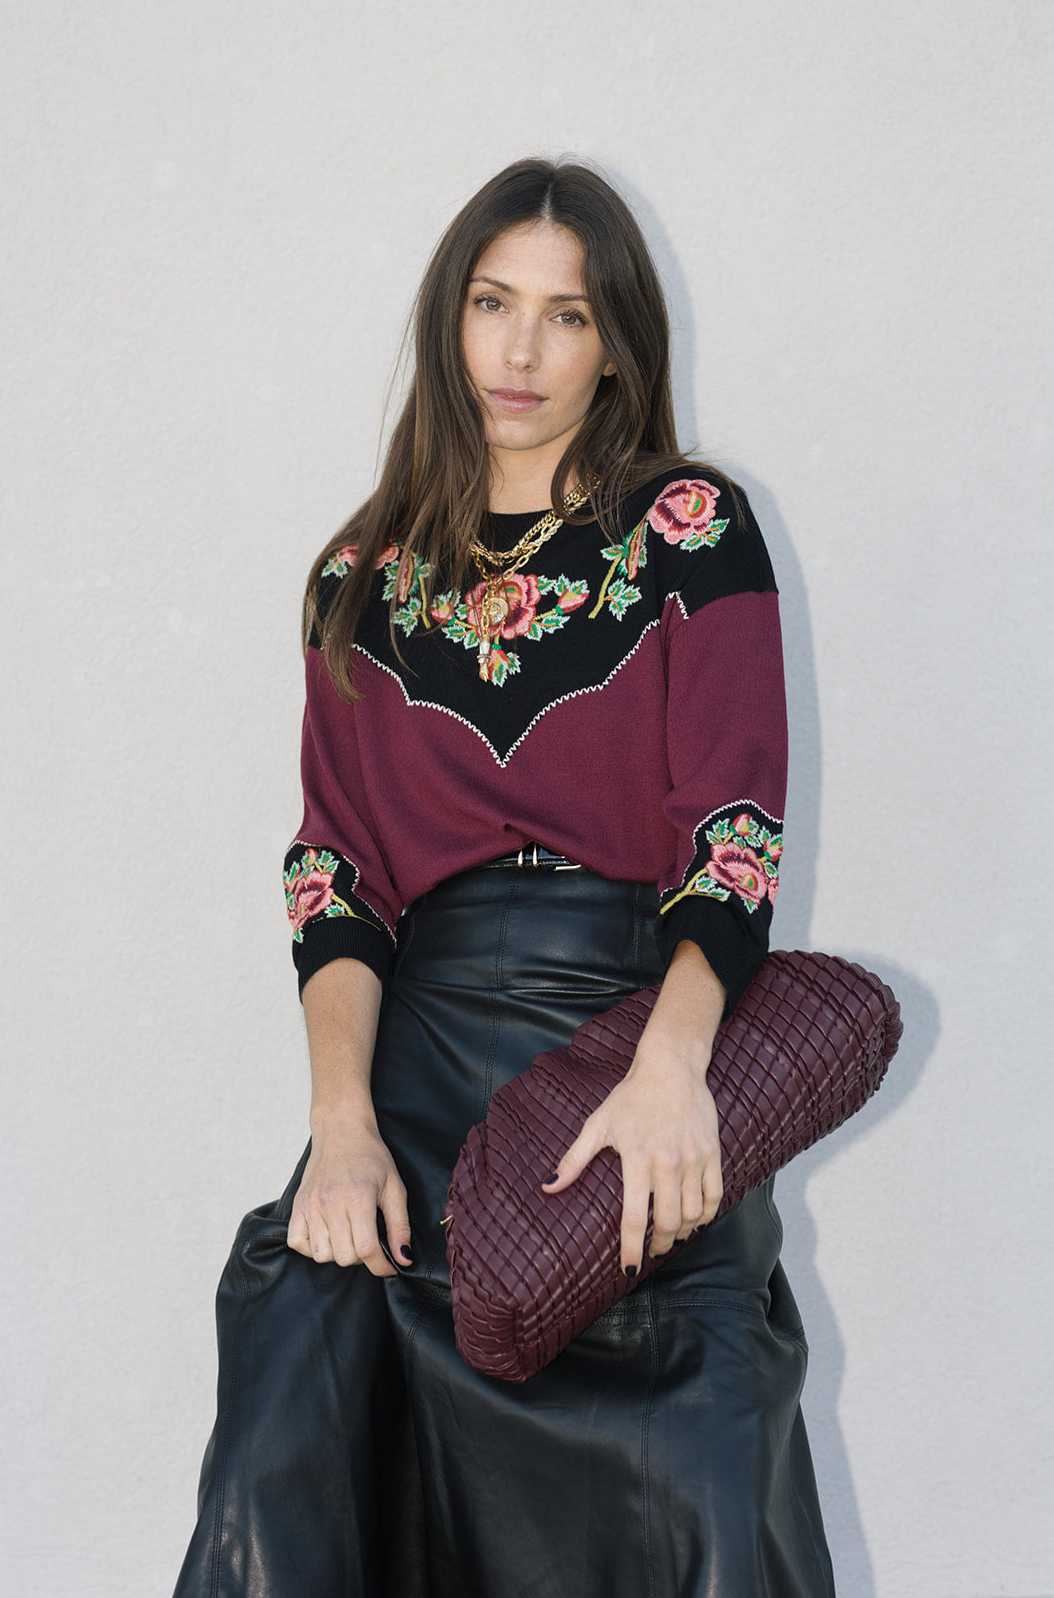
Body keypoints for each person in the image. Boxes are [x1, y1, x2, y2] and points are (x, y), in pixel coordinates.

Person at [174, 157, 835, 1598]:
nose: (521, 352)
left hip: (639, 1033)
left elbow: (734, 826)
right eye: (492, 304)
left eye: (568, 315)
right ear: (449, 320)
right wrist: (339, 1127)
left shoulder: (690, 532)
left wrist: (672, 1076)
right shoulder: (361, 573)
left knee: (705, 1463)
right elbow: (334, 873)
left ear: (619, 345)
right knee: (290, 1405)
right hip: (415, 1072)